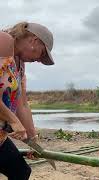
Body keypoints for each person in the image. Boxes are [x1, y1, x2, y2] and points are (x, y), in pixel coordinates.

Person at [0, 22, 55, 180]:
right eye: (42, 54)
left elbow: (22, 104)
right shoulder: (3, 41)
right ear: (33, 40)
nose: (39, 60)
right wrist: (13, 121)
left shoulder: (20, 65)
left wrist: (32, 139)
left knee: (21, 172)